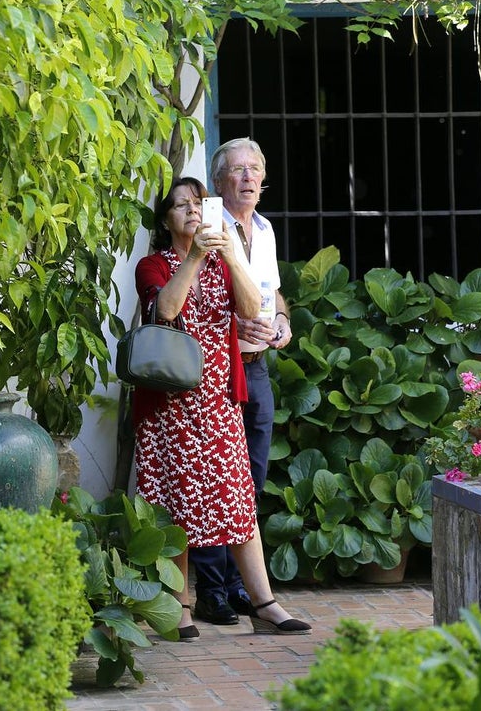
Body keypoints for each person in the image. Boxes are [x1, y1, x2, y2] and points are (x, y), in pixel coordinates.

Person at [132, 176, 309, 640]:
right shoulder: (153, 265)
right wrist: (193, 257)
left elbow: (253, 308)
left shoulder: (222, 262)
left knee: (238, 500)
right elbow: (166, 310)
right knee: (176, 504)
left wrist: (230, 255)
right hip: (170, 406)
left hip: (219, 401)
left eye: (199, 202)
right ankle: (179, 606)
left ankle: (264, 604)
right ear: (165, 220)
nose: (192, 210)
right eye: (181, 205)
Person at [188, 138, 294, 626]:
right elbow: (198, 302)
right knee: (215, 479)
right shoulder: (207, 229)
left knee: (251, 477)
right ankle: (211, 591)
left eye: (255, 169)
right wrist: (235, 324)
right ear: (218, 181)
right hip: (218, 369)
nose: (248, 177)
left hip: (257, 367)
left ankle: (238, 586)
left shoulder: (265, 229)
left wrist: (283, 322)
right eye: (237, 170)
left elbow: (273, 294)